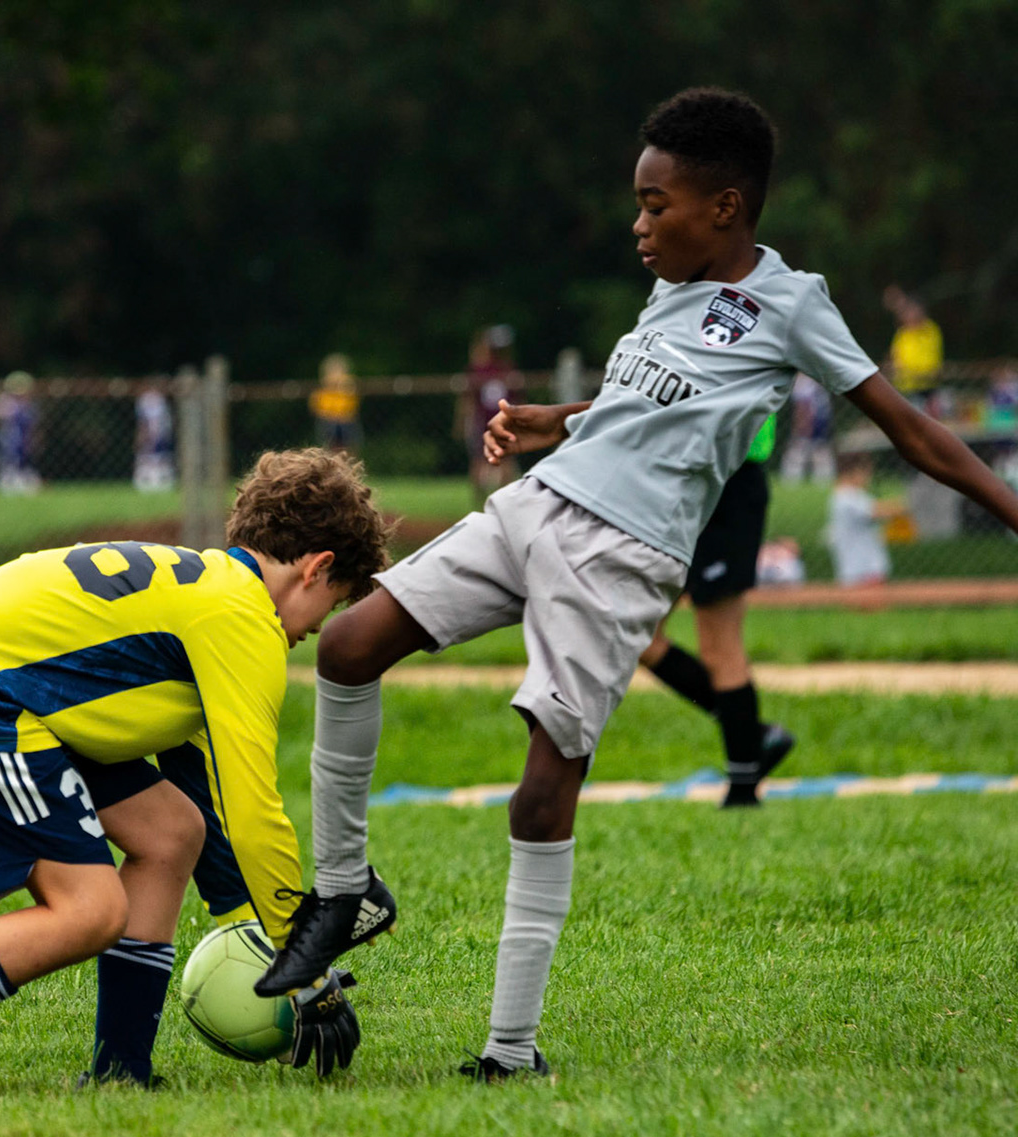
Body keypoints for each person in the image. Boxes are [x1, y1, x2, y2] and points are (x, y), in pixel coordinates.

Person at [260, 88, 1018, 1084]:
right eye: (640, 202)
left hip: (624, 553)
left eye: (658, 204)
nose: (640, 223)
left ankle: (509, 1049)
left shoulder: (791, 303)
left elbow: (907, 426)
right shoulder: (675, 278)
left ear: (726, 207)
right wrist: (548, 421)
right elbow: (637, 402)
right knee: (352, 648)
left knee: (543, 785)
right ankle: (345, 891)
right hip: (539, 502)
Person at [0, 449, 392, 1101]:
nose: (316, 629)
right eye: (333, 606)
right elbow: (254, 805)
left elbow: (208, 790)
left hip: (5, 688)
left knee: (170, 833)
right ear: (318, 568)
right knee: (89, 913)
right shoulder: (244, 620)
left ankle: (120, 1073)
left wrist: (244, 923)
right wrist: (302, 960)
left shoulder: (212, 590)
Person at [637, 414, 793, 808]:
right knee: (639, 634)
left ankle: (743, 789)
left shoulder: (751, 352)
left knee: (719, 642)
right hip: (676, 485)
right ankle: (753, 736)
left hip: (727, 481)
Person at [462, 326, 520, 504]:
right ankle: (497, 501)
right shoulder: (507, 371)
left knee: (489, 460)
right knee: (494, 460)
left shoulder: (481, 370)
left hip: (492, 421)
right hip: (494, 421)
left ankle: (484, 502)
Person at [826, 451, 901, 587]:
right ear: (854, 471)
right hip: (860, 566)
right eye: (866, 471)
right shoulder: (846, 497)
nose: (868, 477)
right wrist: (909, 505)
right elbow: (877, 511)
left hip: (866, 563)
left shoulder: (855, 495)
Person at [882, 285, 943, 413]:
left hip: (928, 383)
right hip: (908, 385)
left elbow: (933, 354)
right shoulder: (902, 334)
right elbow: (895, 356)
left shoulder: (930, 330)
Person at [779, 372, 835, 483]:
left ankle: (792, 482)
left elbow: (803, 407)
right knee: (812, 454)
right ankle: (795, 481)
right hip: (817, 423)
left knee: (802, 454)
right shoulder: (814, 379)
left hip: (814, 422)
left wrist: (801, 427)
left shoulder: (805, 381)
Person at [0, 371, 41, 494]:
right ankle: (8, 482)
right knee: (9, 458)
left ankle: (24, 480)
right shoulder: (6, 401)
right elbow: (0, 416)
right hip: (11, 436)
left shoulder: (28, 404)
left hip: (24, 438)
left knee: (24, 459)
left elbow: (33, 422)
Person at [309, 354, 361, 455]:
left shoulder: (347, 386)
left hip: (345, 421)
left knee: (347, 428)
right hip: (329, 422)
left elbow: (352, 407)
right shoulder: (322, 389)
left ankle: (349, 455)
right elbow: (316, 408)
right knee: (330, 428)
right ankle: (331, 455)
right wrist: (330, 415)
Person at [132, 379, 174, 492]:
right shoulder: (149, 400)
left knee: (156, 458)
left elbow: (145, 422)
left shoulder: (152, 400)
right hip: (157, 433)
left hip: (159, 434)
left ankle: (156, 483)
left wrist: (141, 436)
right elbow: (144, 421)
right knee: (151, 458)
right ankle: (152, 483)